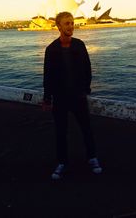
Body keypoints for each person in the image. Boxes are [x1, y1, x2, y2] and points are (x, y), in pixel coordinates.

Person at [42, 11, 102, 180]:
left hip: (78, 97)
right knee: (61, 132)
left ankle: (92, 158)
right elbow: (48, 76)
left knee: (86, 129)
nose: (71, 26)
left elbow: (87, 68)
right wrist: (47, 98)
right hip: (60, 98)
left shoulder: (79, 45)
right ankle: (62, 162)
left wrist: (86, 89)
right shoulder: (51, 49)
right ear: (59, 26)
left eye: (72, 23)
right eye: (67, 23)